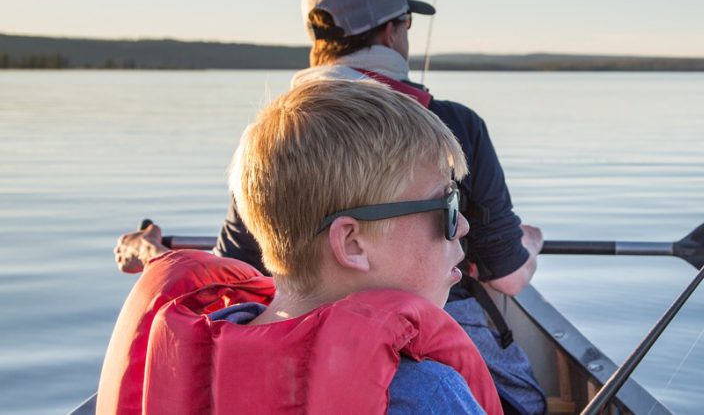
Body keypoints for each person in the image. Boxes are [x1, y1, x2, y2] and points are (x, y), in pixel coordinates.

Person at [211, 0, 546, 414]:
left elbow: (233, 268)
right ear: (393, 32)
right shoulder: (455, 124)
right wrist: (528, 244)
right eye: (449, 211)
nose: (461, 227)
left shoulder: (269, 141)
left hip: (289, 335)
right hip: (437, 329)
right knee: (527, 403)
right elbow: (508, 276)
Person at [102, 80, 502, 414]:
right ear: (352, 242)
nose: (463, 224)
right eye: (447, 205)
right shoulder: (426, 394)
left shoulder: (185, 359)